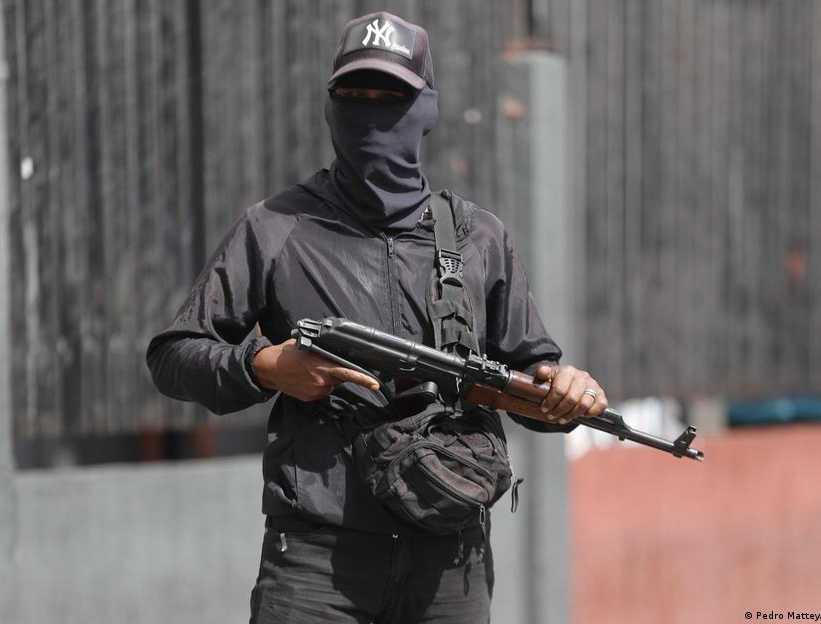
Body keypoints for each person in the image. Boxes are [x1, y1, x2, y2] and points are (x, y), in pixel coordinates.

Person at [146, 11, 608, 623]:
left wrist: (567, 390)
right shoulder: (276, 228)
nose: (370, 110)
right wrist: (265, 365)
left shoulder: (477, 237)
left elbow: (531, 374)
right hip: (316, 564)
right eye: (353, 94)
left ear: (426, 109)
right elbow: (173, 355)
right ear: (330, 104)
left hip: (451, 561)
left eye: (391, 95)